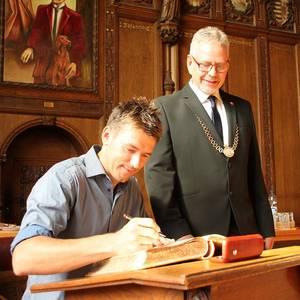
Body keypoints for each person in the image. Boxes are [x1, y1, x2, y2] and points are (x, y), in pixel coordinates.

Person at [11, 98, 165, 299]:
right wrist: (115, 243)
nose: (136, 163)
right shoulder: (64, 178)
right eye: (130, 150)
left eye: (145, 155)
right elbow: (24, 258)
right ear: (107, 136)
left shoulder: (132, 188)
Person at [145, 26, 275, 249]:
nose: (213, 73)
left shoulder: (242, 108)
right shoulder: (165, 109)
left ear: (228, 65)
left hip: (246, 232)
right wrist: (180, 235)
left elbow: (253, 173)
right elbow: (159, 180)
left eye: (220, 65)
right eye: (205, 64)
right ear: (189, 63)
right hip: (196, 237)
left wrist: (266, 227)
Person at [20, 0, 85, 85]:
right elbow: (36, 30)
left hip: (61, 62)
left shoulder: (75, 17)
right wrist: (30, 47)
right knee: (39, 88)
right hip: (43, 60)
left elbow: (79, 41)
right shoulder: (42, 10)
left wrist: (75, 62)